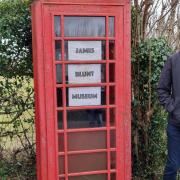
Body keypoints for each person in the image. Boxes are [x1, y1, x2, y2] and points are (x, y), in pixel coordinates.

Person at [157, 51, 180, 180]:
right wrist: (173, 108)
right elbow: (161, 89)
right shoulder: (173, 60)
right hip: (176, 125)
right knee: (173, 165)